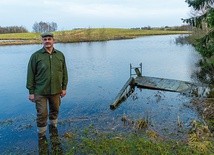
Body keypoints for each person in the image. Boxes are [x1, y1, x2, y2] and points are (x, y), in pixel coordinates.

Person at [26, 32, 68, 139]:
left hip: (56, 90)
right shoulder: (36, 56)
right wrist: (31, 92)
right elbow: (30, 74)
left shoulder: (60, 55)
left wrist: (64, 88)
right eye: (45, 39)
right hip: (40, 91)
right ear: (42, 41)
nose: (47, 41)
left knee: (55, 110)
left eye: (49, 39)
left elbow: (64, 72)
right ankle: (42, 135)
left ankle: (53, 129)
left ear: (53, 40)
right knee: (42, 114)